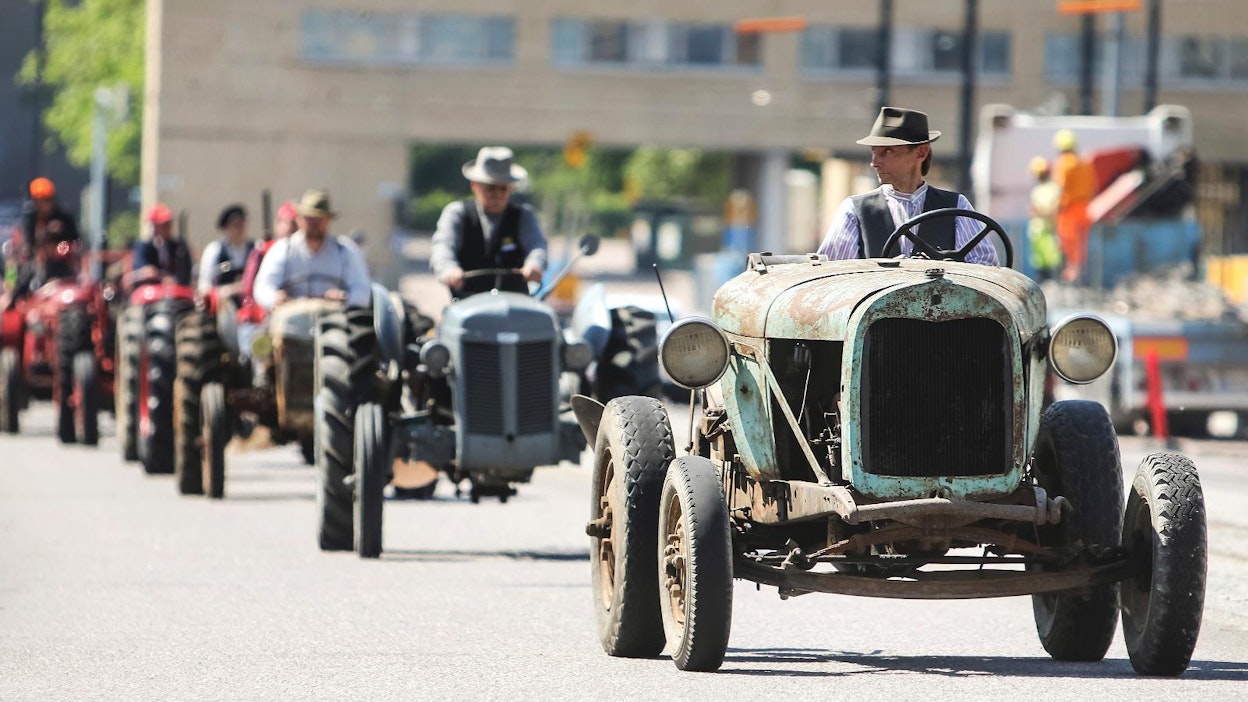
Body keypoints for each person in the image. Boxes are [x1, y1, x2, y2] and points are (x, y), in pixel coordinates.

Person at [816, 107, 998, 266]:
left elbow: (984, 266)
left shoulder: (956, 205)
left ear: (921, 152)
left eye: (888, 151)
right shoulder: (855, 210)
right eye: (874, 151)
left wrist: (944, 270)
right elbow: (833, 270)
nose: (874, 162)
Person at [429, 146, 548, 298]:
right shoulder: (457, 213)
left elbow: (537, 245)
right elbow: (443, 246)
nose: (497, 194)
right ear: (474, 186)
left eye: (502, 189)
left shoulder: (524, 215)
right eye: (491, 188)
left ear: (511, 188)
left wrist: (534, 264)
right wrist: (449, 269)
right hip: (467, 302)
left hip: (515, 302)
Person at [252, 189, 371, 310]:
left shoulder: (345, 250)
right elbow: (263, 286)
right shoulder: (283, 249)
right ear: (299, 219)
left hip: (334, 316)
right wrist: (274, 298)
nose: (314, 224)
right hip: (291, 316)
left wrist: (345, 298)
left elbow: (362, 289)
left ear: (328, 221)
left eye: (320, 219)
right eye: (309, 218)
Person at [1, 178, 82, 308]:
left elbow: (75, 241)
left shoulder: (64, 217)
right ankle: (12, 301)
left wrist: (58, 239)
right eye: (40, 200)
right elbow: (28, 244)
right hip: (36, 263)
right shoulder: (30, 218)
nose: (44, 204)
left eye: (47, 200)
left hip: (61, 264)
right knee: (24, 278)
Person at [1051, 129, 1097, 283]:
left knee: (1067, 242)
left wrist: (1056, 209)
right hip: (1085, 207)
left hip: (1069, 209)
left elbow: (1060, 187)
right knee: (1081, 243)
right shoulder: (1084, 163)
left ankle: (1071, 276)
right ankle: (1080, 273)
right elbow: (1093, 186)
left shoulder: (1063, 164)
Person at [239, 200, 297, 302]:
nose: (291, 228)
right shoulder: (262, 251)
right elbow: (248, 287)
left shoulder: (302, 252)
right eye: (288, 222)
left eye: (295, 224)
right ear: (277, 223)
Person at [197, 203, 255, 296]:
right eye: (236, 225)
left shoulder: (256, 249)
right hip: (224, 300)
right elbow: (204, 286)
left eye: (242, 224)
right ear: (226, 228)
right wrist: (228, 290)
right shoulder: (214, 250)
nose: (240, 229)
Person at [130, 203, 193, 287]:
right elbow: (141, 267)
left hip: (173, 290)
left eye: (166, 225)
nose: (165, 228)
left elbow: (185, 271)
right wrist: (150, 272)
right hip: (150, 289)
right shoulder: (144, 246)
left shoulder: (178, 248)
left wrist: (174, 279)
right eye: (160, 225)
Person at [1027, 157, 1063, 282]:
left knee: (1052, 258)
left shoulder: (1053, 188)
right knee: (1039, 260)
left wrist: (1042, 212)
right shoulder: (1037, 190)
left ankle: (1053, 281)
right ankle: (1043, 280)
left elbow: (1053, 209)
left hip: (1049, 229)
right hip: (1038, 230)